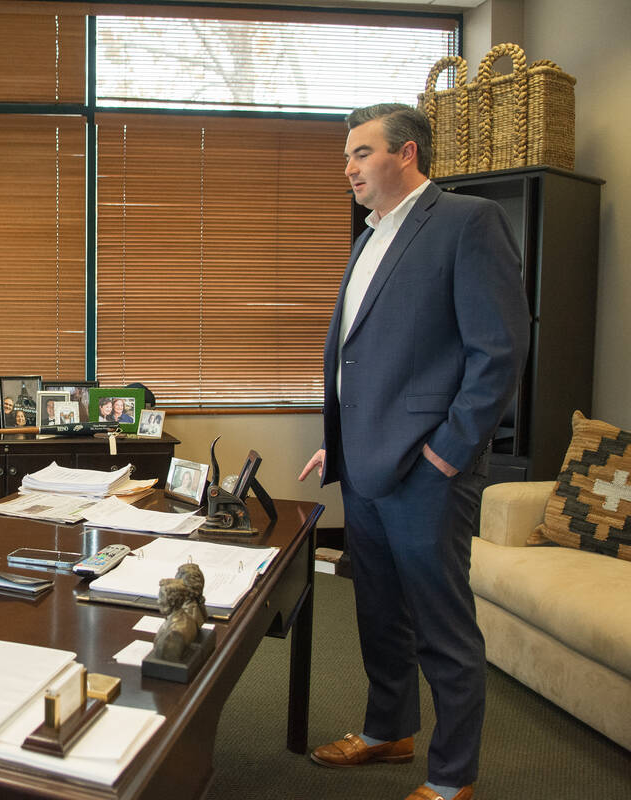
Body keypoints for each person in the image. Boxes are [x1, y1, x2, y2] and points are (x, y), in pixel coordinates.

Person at [298, 104, 528, 800]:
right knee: (378, 616)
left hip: (429, 471)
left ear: (407, 154)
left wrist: (450, 452)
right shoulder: (369, 235)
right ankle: (388, 732)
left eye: (361, 153)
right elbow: (367, 356)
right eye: (346, 155)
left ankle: (453, 777)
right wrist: (337, 443)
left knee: (441, 627)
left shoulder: (467, 222)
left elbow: (498, 350)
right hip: (364, 466)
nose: (348, 168)